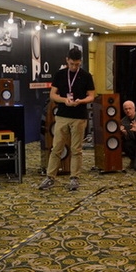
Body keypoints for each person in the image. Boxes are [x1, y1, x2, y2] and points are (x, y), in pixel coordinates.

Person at [38, 46, 95, 191]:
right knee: (56, 147)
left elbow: (91, 96)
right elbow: (53, 95)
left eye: (77, 64)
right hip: (62, 115)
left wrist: (81, 101)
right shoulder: (60, 74)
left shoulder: (86, 76)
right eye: (72, 64)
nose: (74, 67)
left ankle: (74, 178)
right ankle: (50, 177)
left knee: (76, 149)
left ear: (80, 62)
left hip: (79, 117)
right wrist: (64, 100)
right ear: (67, 60)